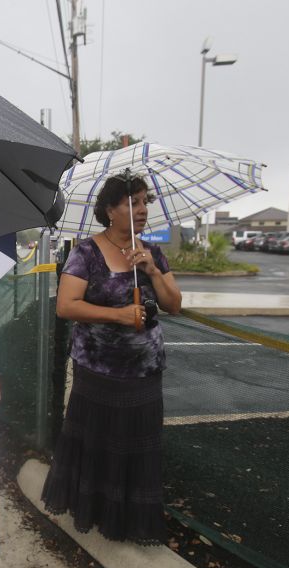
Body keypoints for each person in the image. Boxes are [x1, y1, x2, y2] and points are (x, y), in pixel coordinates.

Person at [41, 175, 182, 544]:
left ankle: (130, 519)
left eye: (144, 202)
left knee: (137, 450)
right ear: (109, 210)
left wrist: (151, 270)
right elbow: (66, 306)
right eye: (132, 203)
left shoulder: (151, 253)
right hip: (99, 374)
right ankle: (97, 512)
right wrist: (119, 315)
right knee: (99, 446)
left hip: (145, 373)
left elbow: (175, 304)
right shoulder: (86, 253)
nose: (142, 210)